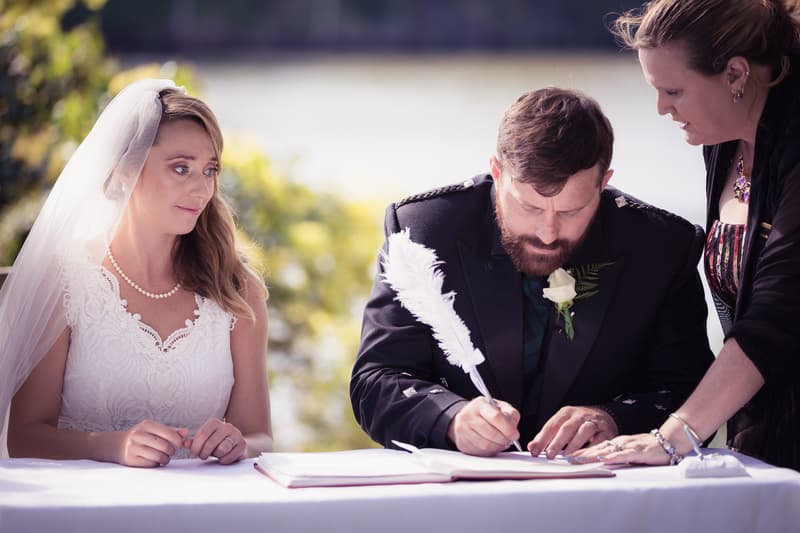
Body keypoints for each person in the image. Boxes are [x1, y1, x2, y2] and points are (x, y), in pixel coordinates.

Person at [350, 87, 714, 457]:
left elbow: (691, 393)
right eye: (529, 207)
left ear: (603, 183)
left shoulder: (661, 247)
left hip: (604, 492)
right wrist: (452, 418)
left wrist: (614, 418)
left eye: (571, 211)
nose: (547, 233)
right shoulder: (424, 231)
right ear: (496, 172)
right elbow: (376, 381)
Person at [573, 0, 800, 470]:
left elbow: (778, 313)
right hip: (764, 434)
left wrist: (675, 435)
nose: (660, 109)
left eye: (673, 91)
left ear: (736, 74)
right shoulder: (725, 141)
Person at [0, 79, 272, 467]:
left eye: (209, 170)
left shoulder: (237, 289)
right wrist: (110, 446)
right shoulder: (63, 281)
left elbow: (259, 434)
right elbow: (24, 438)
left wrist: (238, 443)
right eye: (181, 168)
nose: (201, 188)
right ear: (126, 170)